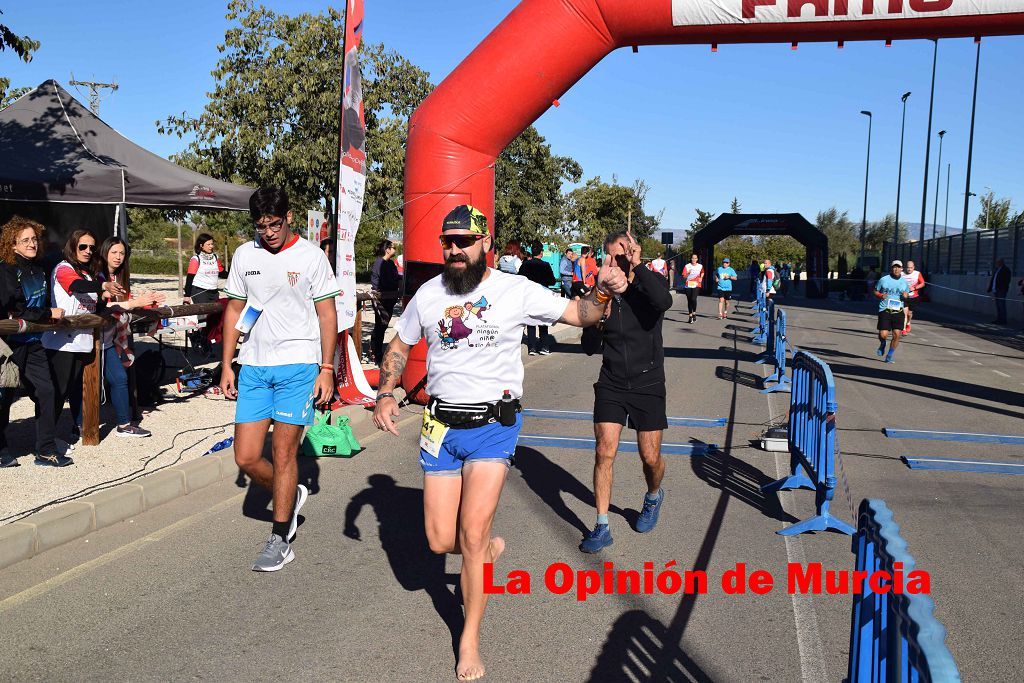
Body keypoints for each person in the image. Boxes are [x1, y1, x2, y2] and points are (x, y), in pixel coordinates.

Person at [371, 204, 626, 681]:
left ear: (485, 242)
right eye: (448, 242)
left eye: (465, 241)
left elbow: (580, 313)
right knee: (439, 539)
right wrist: (387, 392)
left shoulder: (514, 290)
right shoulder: (427, 294)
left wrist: (602, 289)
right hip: (440, 428)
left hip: (493, 426)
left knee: (469, 535)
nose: (455, 250)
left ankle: (468, 638)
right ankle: (485, 554)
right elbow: (400, 346)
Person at [219, 187, 339, 572]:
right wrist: (226, 365)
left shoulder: (311, 257)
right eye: (261, 225)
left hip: (299, 367)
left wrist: (326, 369)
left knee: (285, 454)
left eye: (274, 223)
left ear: (289, 217)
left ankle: (279, 538)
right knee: (247, 456)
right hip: (254, 367)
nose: (268, 232)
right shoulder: (244, 255)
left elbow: (326, 315)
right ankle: (292, 492)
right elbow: (236, 309)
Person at [580, 229, 672, 555]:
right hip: (612, 382)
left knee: (650, 457)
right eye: (613, 257)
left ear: (635, 251)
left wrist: (638, 267)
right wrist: (598, 312)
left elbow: (664, 302)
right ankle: (601, 524)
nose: (618, 262)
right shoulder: (603, 292)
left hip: (648, 382)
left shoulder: (651, 284)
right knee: (605, 450)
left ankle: (653, 495)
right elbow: (589, 348)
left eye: (624, 255)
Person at [42, 230, 126, 444]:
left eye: (91, 247)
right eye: (83, 247)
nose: (88, 251)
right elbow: (75, 286)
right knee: (57, 393)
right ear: (72, 247)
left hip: (83, 342)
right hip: (61, 342)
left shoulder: (89, 274)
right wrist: (103, 286)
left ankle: (66, 434)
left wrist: (110, 300)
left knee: (78, 389)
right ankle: (46, 443)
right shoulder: (63, 268)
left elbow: (94, 306)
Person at [0, 216, 70, 467]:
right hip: (9, 343)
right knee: (4, 396)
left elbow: (30, 306)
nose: (32, 244)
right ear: (13, 244)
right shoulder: (6, 270)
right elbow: (14, 308)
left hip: (33, 341)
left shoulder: (39, 269)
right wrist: (47, 313)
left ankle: (46, 450)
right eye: (25, 240)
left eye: (34, 239)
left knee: (47, 391)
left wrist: (43, 313)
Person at [96, 237, 165, 437]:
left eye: (122, 253)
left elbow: (122, 305)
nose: (118, 257)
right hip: (90, 339)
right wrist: (134, 303)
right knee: (77, 385)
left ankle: (124, 425)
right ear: (104, 253)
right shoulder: (97, 277)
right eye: (114, 252)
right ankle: (79, 426)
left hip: (108, 340)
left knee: (119, 379)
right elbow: (103, 307)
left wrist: (145, 301)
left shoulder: (120, 277)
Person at [184, 232, 228, 356]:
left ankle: (202, 339)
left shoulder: (215, 257)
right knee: (204, 318)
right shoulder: (195, 259)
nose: (211, 246)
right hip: (199, 291)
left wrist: (234, 274)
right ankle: (203, 345)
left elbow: (222, 272)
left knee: (214, 319)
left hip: (213, 292)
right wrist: (187, 295)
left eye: (212, 244)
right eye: (208, 244)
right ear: (201, 245)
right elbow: (190, 278)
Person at [517, 239, 557, 355]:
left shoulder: (525, 265)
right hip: (542, 295)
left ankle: (532, 347)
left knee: (531, 321)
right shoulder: (545, 265)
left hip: (529, 295)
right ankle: (544, 347)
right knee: (543, 321)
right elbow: (552, 281)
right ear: (541, 253)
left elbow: (519, 279)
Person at [370, 239, 402, 365]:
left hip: (390, 298)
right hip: (381, 299)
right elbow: (379, 282)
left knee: (383, 326)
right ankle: (376, 354)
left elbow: (394, 278)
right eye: (393, 247)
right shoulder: (380, 263)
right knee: (380, 325)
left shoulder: (389, 263)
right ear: (387, 249)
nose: (395, 249)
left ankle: (377, 352)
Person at [874, 260, 910, 364]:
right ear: (891, 268)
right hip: (885, 309)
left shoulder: (904, 282)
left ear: (902, 269)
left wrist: (905, 296)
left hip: (898, 310)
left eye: (898, 267)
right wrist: (881, 295)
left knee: (897, 335)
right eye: (894, 267)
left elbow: (907, 295)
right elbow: (875, 290)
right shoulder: (883, 280)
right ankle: (883, 343)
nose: (896, 269)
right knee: (883, 334)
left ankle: (889, 355)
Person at [900, 259, 925, 335]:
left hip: (914, 297)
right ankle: (903, 329)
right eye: (908, 267)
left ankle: (908, 323)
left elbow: (923, 283)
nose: (909, 269)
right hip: (904, 297)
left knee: (909, 314)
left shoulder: (917, 274)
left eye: (911, 267)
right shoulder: (901, 274)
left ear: (913, 267)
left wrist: (914, 288)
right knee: (904, 313)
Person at [987, 258, 1011, 325]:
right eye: (997, 262)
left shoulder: (1006, 270)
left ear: (1002, 262)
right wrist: (990, 288)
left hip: (1001, 290)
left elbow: (1007, 280)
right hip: (995, 289)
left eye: (998, 262)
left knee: (1001, 305)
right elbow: (993, 279)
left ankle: (1003, 320)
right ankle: (999, 319)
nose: (997, 263)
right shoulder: (996, 269)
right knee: (998, 306)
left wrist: (1002, 288)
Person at [681, 253, 703, 323]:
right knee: (689, 300)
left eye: (695, 258)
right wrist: (688, 273)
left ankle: (694, 313)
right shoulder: (687, 266)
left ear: (697, 259)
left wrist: (701, 278)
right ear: (691, 259)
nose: (694, 259)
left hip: (696, 284)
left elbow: (702, 272)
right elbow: (684, 276)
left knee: (693, 298)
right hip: (688, 284)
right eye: (693, 258)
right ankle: (690, 315)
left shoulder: (700, 266)